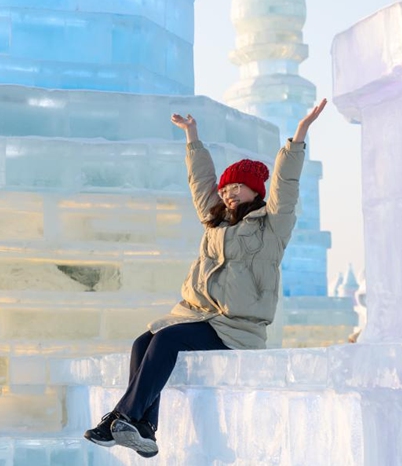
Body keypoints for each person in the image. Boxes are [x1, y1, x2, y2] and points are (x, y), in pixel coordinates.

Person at [83, 99, 328, 458]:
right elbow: (201, 183)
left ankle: (124, 417)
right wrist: (192, 136)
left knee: (165, 342)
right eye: (226, 189)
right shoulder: (216, 222)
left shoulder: (272, 225)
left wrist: (300, 134)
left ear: (256, 192)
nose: (228, 193)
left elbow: (286, 184)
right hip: (197, 314)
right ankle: (144, 429)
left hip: (236, 326)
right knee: (143, 341)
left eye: (237, 187)